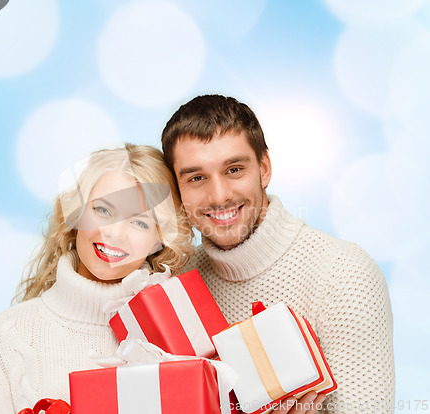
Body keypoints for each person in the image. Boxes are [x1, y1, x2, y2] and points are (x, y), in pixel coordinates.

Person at [161, 95, 395, 414]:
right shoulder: (176, 286)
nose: (219, 195)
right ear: (177, 188)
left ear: (264, 168)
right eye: (197, 178)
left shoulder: (344, 273)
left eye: (234, 169)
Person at [0, 144, 194, 413]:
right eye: (103, 210)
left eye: (140, 223)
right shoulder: (10, 335)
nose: (113, 234)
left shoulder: (176, 337)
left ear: (159, 242)